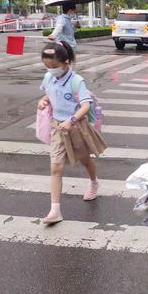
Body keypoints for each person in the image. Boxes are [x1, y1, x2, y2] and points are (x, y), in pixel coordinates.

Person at [37, 41, 106, 225]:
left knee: (85, 160)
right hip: (57, 128)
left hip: (77, 127)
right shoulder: (49, 78)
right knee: (56, 168)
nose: (50, 70)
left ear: (66, 63)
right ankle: (55, 211)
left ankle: (94, 182)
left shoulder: (77, 81)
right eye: (47, 66)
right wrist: (43, 101)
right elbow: (49, 94)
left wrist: (72, 120)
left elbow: (85, 105)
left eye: (53, 66)